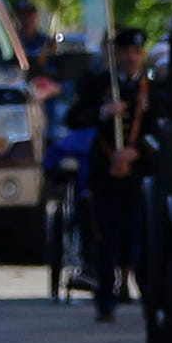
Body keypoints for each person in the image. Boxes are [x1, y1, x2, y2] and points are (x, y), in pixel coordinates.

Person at [65, 26, 157, 321]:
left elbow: (162, 129)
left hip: (139, 175)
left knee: (141, 236)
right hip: (105, 173)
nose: (130, 58)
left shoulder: (153, 87)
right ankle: (106, 299)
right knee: (106, 236)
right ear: (115, 54)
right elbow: (74, 118)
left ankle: (149, 298)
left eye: (135, 52)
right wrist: (102, 113)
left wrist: (137, 151)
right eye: (125, 52)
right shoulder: (98, 84)